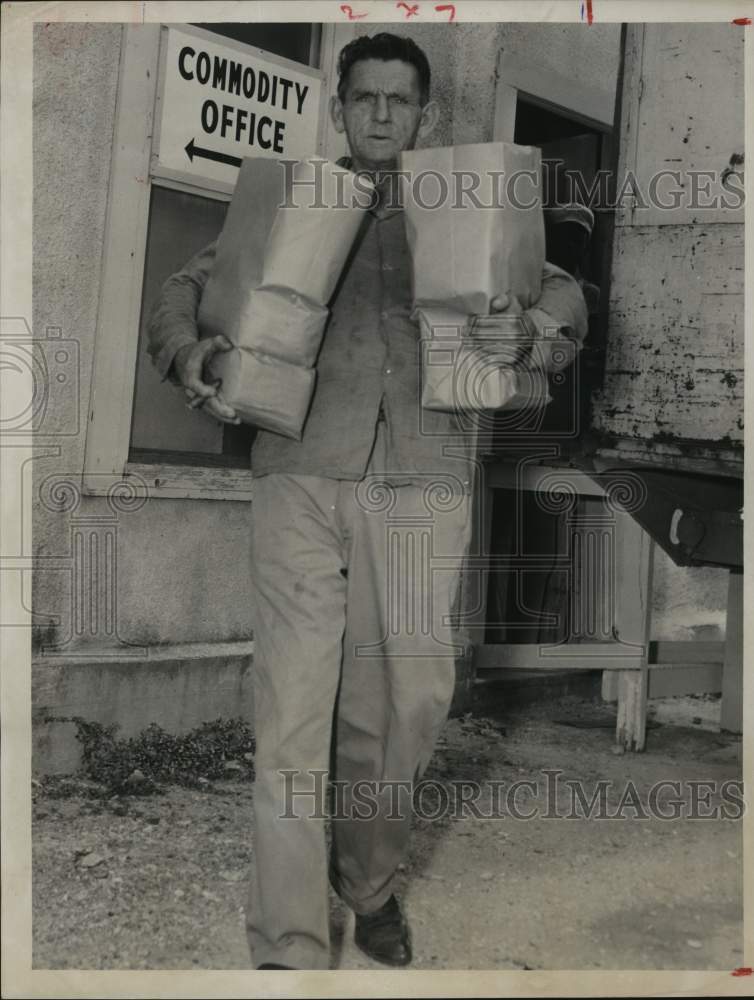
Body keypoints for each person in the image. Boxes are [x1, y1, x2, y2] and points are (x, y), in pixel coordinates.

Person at [148, 32, 588, 970]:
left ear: (424, 112)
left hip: (422, 476)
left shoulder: (465, 199)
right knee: (293, 713)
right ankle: (291, 947)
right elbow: (188, 288)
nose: (382, 114)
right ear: (339, 107)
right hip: (301, 472)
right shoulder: (298, 202)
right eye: (365, 99)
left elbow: (561, 291)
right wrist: (192, 351)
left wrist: (537, 332)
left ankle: (371, 884)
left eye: (399, 100)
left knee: (409, 703)